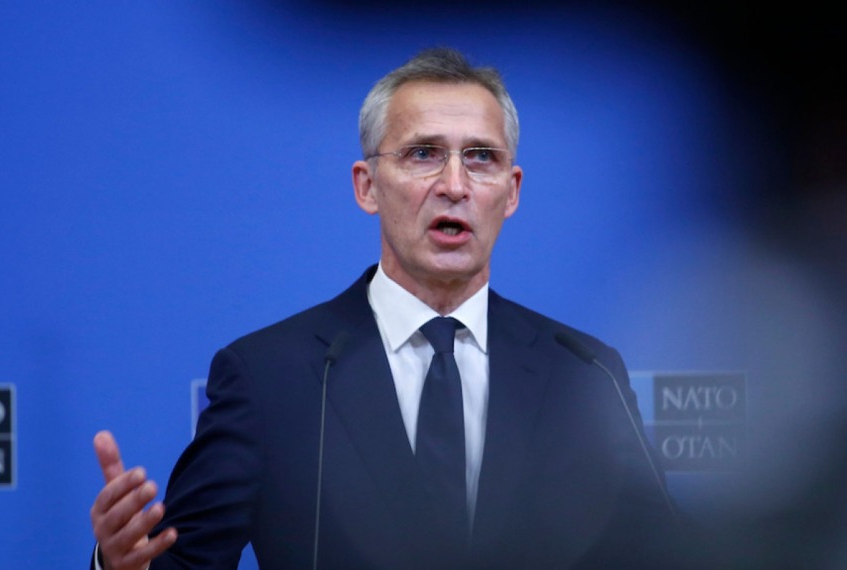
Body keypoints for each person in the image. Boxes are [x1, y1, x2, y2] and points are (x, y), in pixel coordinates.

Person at [89, 47, 678, 570]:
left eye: (480, 157)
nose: (455, 185)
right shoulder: (268, 377)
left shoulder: (583, 374)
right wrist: (120, 567)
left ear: (512, 191)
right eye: (424, 153)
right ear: (367, 186)